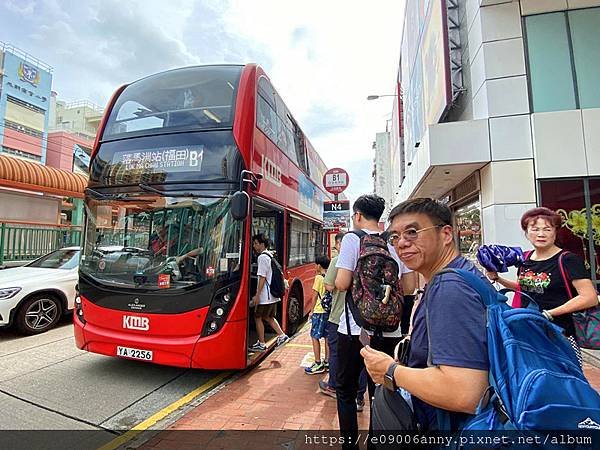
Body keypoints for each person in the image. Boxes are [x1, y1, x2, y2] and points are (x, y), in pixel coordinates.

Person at [361, 198, 491, 432]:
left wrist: (390, 370)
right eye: (395, 237)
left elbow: (466, 393)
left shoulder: (451, 288)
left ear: (446, 234)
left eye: (412, 232)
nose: (401, 243)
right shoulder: (456, 276)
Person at [334, 194, 416, 448]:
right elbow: (411, 287)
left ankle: (349, 445)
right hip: (390, 331)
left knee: (346, 390)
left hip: (353, 329)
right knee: (379, 390)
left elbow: (342, 283)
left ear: (357, 215)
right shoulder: (395, 243)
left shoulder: (352, 239)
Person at [486, 207, 597, 363]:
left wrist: (549, 313)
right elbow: (523, 288)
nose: (541, 234)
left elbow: (589, 297)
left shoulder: (568, 260)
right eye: (535, 229)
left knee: (566, 380)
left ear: (555, 232)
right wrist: (498, 279)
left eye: (547, 229)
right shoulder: (525, 259)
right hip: (529, 331)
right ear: (526, 232)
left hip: (560, 333)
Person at [319, 233, 368, 411]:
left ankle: (334, 385)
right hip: (366, 318)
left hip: (340, 317)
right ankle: (360, 397)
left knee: (337, 354)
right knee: (363, 359)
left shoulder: (338, 261)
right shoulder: (368, 260)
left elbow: (330, 285)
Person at [248, 233, 290, 352]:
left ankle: (262, 343)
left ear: (262, 244)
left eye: (256, 243)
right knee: (268, 317)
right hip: (272, 296)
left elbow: (262, 277)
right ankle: (282, 335)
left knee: (257, 317)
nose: (254, 245)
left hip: (265, 296)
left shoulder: (262, 257)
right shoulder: (270, 255)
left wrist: (257, 295)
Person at [305, 255, 331, 375]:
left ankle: (317, 362)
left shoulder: (318, 278)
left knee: (315, 337)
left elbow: (315, 296)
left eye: (315, 264)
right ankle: (327, 361)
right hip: (328, 312)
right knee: (326, 337)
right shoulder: (329, 276)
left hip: (319, 311)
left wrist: (311, 311)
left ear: (319, 266)